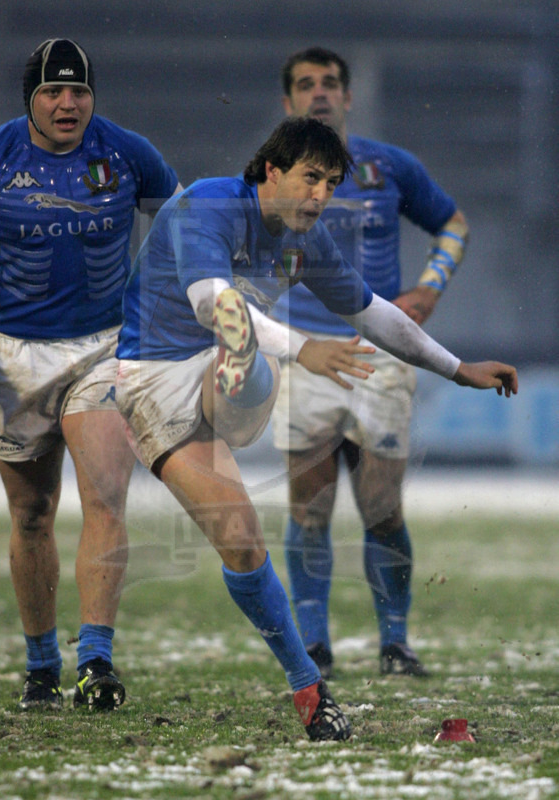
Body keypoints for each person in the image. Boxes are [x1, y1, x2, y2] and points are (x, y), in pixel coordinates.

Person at [115, 115, 516, 740]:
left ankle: (240, 365)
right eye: (310, 178)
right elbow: (206, 299)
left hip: (229, 381)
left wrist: (457, 368)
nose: (320, 195)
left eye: (331, 183)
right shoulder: (208, 202)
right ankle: (311, 694)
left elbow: (377, 316)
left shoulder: (305, 240)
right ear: (270, 170)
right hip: (153, 379)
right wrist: (301, 348)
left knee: (245, 344)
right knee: (245, 542)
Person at [0, 38, 182, 711]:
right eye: (53, 91)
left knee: (106, 498)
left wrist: (184, 312)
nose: (68, 103)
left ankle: (96, 661)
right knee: (31, 515)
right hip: (13, 360)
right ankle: (41, 664)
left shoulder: (126, 153)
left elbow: (187, 228)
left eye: (78, 90)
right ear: (32, 100)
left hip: (104, 351)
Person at [270, 46, 471, 679]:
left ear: (349, 97)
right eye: (306, 84)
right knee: (309, 504)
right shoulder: (276, 175)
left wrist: (430, 287)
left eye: (331, 83)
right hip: (305, 354)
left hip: (381, 356)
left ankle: (395, 641)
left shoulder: (388, 166)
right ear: (289, 102)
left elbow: (454, 224)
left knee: (381, 505)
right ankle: (314, 643)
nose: (320, 93)